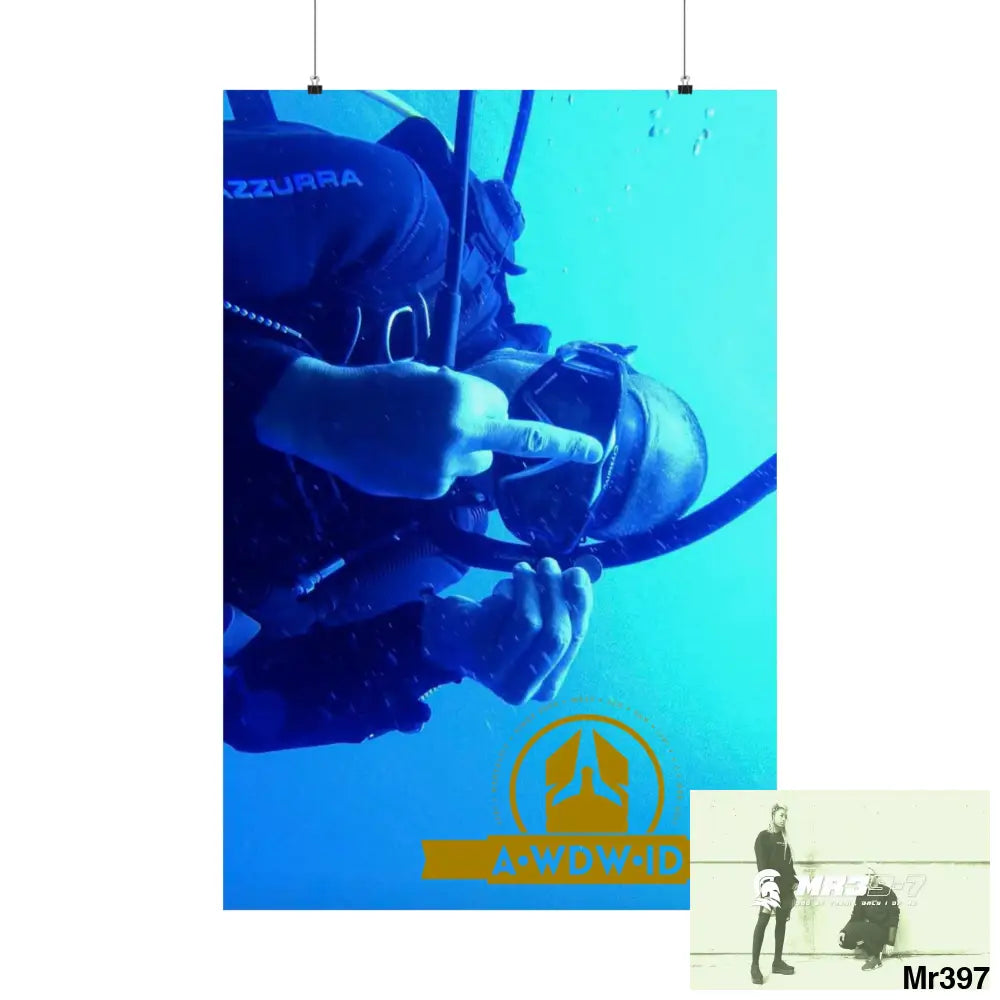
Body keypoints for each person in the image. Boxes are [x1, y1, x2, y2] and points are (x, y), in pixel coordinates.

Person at [223, 99, 708, 752]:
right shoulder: (399, 225)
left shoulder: (432, 544)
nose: (533, 453)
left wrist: (436, 645)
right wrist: (303, 403)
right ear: (585, 355)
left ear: (544, 539)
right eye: (577, 410)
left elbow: (243, 708)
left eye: (557, 498)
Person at [750, 803, 797, 984]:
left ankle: (777, 962)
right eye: (781, 815)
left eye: (785, 816)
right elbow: (762, 866)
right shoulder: (763, 837)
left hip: (785, 888)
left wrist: (794, 881)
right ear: (773, 815)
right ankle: (754, 966)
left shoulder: (785, 840)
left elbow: (788, 866)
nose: (784, 819)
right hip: (770, 887)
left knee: (781, 923)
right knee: (763, 921)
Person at [838, 865, 900, 971]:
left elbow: (894, 917)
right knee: (845, 939)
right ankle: (872, 951)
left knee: (860, 928)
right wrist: (844, 931)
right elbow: (855, 916)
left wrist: (891, 942)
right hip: (869, 930)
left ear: (876, 877)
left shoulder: (887, 892)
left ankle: (875, 959)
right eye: (866, 875)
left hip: (882, 931)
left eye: (871, 875)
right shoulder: (862, 893)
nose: (868, 877)